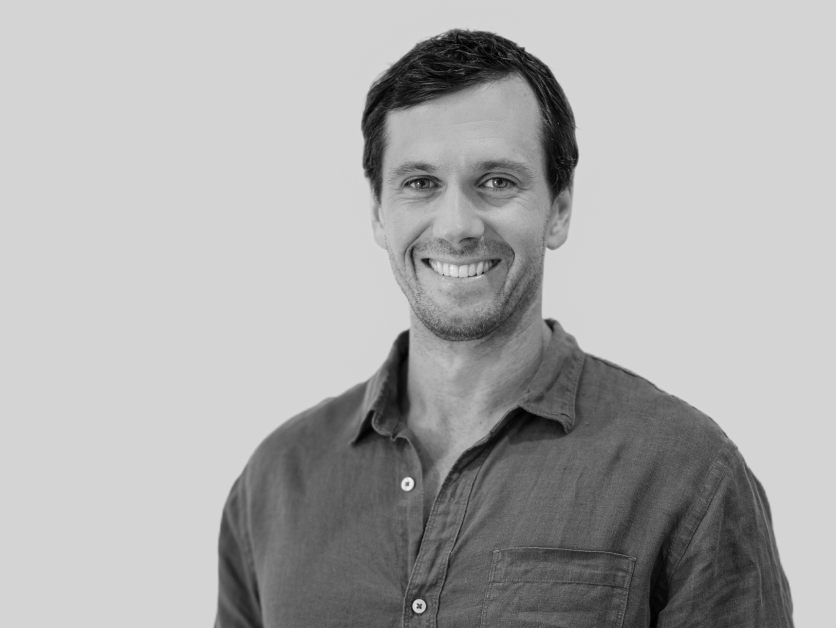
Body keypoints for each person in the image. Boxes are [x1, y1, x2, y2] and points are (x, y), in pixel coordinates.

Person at [216, 29, 793, 627]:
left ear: (559, 209)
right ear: (377, 211)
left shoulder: (685, 473)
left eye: (497, 182)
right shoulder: (275, 483)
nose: (457, 225)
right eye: (420, 183)